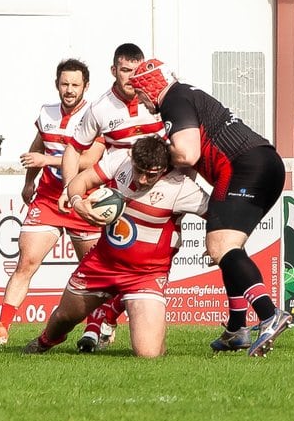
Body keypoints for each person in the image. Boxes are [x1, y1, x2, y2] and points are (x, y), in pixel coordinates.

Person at [129, 58, 289, 357]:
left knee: (220, 247)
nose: (139, 101)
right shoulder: (186, 95)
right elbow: (191, 164)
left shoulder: (173, 100)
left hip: (242, 166)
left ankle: (269, 314)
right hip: (266, 164)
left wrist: (161, 154)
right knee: (227, 248)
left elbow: (187, 155)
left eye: (139, 94)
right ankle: (237, 328)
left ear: (149, 88)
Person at [23, 136, 209, 358]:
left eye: (151, 174)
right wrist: (77, 203)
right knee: (64, 317)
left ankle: (115, 307)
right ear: (132, 159)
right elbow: (80, 182)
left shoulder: (180, 187)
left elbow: (221, 215)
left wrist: (218, 243)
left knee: (148, 354)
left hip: (146, 275)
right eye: (139, 170)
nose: (142, 179)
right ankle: (44, 341)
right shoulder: (120, 159)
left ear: (165, 168)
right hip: (101, 264)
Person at [0, 59, 104, 346]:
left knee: (92, 269)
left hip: (82, 200)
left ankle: (95, 330)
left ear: (86, 86)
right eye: (64, 84)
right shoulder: (47, 113)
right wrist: (28, 181)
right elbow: (37, 147)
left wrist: (45, 160)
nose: (69, 90)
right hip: (48, 199)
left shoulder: (95, 115)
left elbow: (87, 160)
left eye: (75, 85)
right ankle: (3, 326)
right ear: (56, 84)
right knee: (27, 261)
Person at [57, 43, 166, 352]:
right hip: (123, 197)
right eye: (125, 70)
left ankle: (104, 317)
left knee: (151, 262)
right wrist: (70, 188)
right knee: (121, 261)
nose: (132, 77)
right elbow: (74, 148)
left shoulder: (157, 100)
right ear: (114, 71)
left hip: (163, 195)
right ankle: (94, 325)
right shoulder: (101, 108)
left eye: (137, 70)